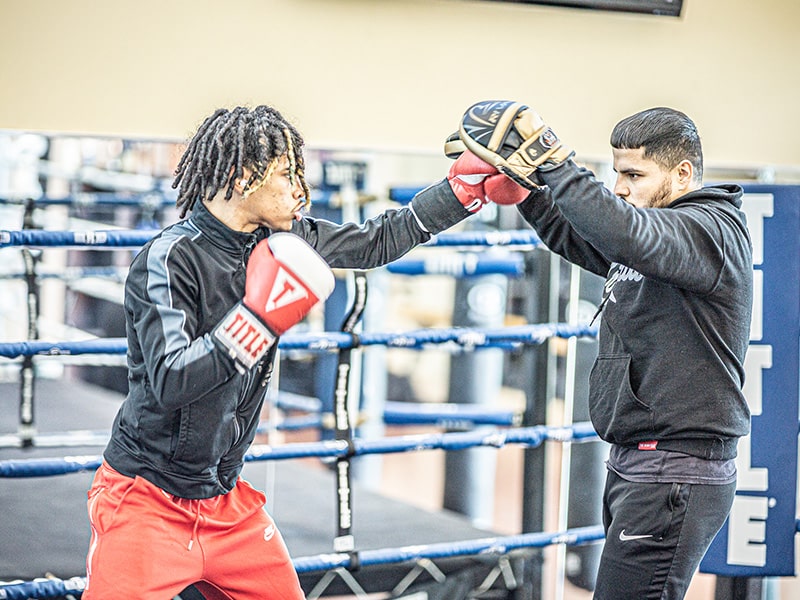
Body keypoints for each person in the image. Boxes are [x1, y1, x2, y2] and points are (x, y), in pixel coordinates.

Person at [82, 104, 528, 600]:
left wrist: (463, 193)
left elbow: (374, 241)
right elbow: (169, 380)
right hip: (146, 501)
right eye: (286, 173)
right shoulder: (169, 259)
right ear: (240, 175)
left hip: (226, 504)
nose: (301, 188)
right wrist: (257, 321)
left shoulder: (283, 239)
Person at [454, 101, 753, 599]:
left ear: (682, 173)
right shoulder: (656, 235)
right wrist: (526, 190)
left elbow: (621, 229)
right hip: (639, 464)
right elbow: (580, 236)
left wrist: (551, 157)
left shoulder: (709, 230)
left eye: (634, 174)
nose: (620, 187)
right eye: (616, 173)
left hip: (674, 472)